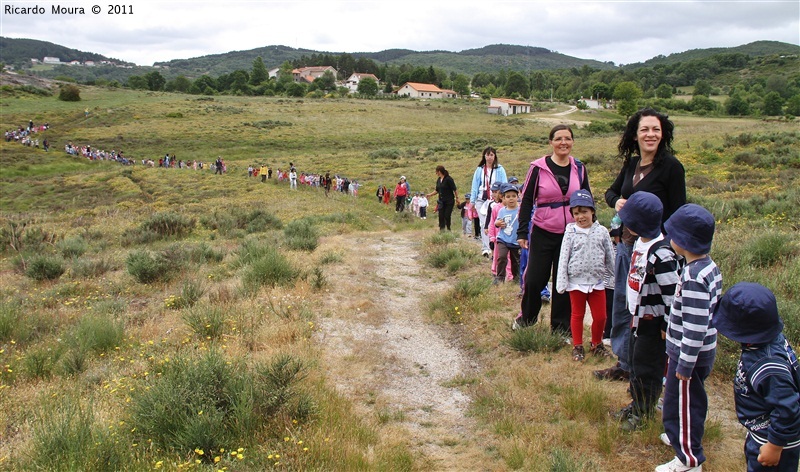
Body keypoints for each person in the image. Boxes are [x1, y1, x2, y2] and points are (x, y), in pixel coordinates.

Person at [597, 107, 687, 382]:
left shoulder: (671, 167)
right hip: (627, 247)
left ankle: (648, 369)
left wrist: (672, 251)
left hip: (655, 252)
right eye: (645, 129)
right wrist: (617, 202)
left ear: (663, 134)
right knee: (624, 302)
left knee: (650, 311)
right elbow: (610, 192)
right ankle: (625, 363)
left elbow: (678, 211)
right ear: (635, 135)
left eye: (656, 129)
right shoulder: (631, 164)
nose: (650, 134)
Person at [657, 204, 721, 472]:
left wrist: (684, 363)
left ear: (682, 241)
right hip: (700, 351)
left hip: (688, 355)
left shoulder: (694, 277)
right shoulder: (707, 266)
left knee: (680, 403)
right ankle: (680, 437)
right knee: (690, 400)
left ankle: (689, 459)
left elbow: (694, 327)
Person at [608, 192, 679, 432]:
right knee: (637, 365)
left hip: (652, 323)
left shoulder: (663, 252)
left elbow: (672, 295)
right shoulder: (639, 242)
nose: (624, 223)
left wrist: (666, 326)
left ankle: (643, 412)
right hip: (637, 318)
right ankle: (637, 404)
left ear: (638, 223)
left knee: (648, 369)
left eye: (628, 220)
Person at [712, 282, 800, 472]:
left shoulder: (768, 365)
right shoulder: (768, 340)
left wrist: (774, 446)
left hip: (775, 440)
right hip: (763, 431)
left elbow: (788, 408)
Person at [514, 124, 590, 334]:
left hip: (571, 234)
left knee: (563, 281)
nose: (563, 143)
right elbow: (527, 200)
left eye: (567, 138)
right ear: (551, 143)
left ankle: (560, 328)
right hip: (542, 231)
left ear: (573, 141)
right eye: (558, 139)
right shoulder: (538, 168)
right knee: (534, 279)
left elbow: (587, 199)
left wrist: (590, 229)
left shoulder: (580, 168)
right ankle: (526, 320)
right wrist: (522, 231)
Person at [555, 189, 615, 362]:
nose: (580, 217)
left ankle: (597, 344)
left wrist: (613, 277)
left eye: (584, 212)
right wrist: (562, 281)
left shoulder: (602, 231)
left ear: (593, 211)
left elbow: (610, 255)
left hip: (597, 282)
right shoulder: (570, 233)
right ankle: (577, 345)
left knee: (601, 316)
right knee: (577, 314)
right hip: (576, 282)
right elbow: (564, 257)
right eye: (576, 213)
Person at [470, 147, 508, 257]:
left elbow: (504, 184)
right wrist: (472, 201)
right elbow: (475, 186)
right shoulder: (479, 170)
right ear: (484, 156)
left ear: (495, 156)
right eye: (487, 155)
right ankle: (486, 248)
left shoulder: (500, 169)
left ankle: (497, 245)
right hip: (482, 199)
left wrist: (503, 198)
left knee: (496, 223)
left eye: (492, 155)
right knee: (484, 224)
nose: (489, 157)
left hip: (495, 200)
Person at [493, 183, 521, 285]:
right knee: (502, 257)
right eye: (508, 196)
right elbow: (496, 222)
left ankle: (516, 278)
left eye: (514, 196)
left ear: (518, 197)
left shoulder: (520, 210)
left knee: (516, 261)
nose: (511, 199)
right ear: (503, 198)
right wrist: (498, 223)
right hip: (503, 238)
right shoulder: (502, 211)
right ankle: (499, 277)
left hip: (516, 240)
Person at [427, 165, 459, 231]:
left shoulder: (448, 179)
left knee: (447, 215)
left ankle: (448, 228)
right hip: (441, 201)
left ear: (439, 171)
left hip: (449, 201)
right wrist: (430, 194)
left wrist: (457, 198)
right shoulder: (438, 180)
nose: (436, 173)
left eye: (436, 172)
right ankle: (442, 230)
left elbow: (454, 189)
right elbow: (437, 190)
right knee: (441, 216)